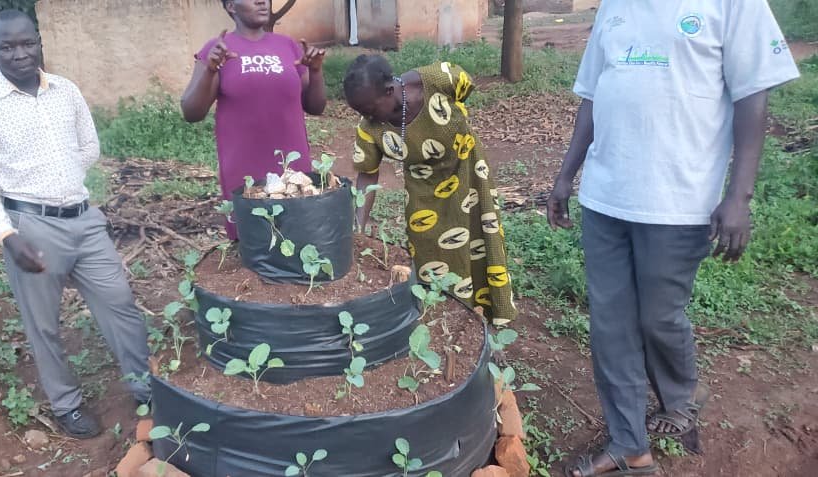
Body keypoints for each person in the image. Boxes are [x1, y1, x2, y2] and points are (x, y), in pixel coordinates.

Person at [548, 2, 800, 475]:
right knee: (610, 326)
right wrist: (566, 176)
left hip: (679, 200)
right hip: (605, 198)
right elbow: (594, 96)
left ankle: (682, 393)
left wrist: (739, 197)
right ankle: (630, 445)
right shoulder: (614, 6)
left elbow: (752, 95)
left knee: (658, 317)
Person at [0, 9, 153, 439]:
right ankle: (67, 404)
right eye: (7, 47)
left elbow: (89, 146)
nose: (20, 54)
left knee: (119, 302)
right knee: (43, 323)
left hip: (84, 219)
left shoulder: (66, 90)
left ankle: (147, 388)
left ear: (39, 41)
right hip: (31, 226)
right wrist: (7, 234)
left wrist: (61, 176)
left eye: (27, 43)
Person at [343, 55, 517, 325]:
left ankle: (483, 314)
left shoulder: (439, 79)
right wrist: (358, 225)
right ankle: (442, 321)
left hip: (468, 177)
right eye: (360, 112)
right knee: (429, 255)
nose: (366, 117)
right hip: (423, 194)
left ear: (389, 91)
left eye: (369, 109)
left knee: (479, 244)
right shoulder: (370, 128)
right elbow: (367, 173)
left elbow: (466, 89)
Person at [181, 0, 327, 239]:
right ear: (231, 7)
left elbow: (316, 107)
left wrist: (316, 71)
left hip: (291, 167)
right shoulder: (217, 49)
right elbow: (191, 112)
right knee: (254, 244)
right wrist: (210, 69)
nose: (262, 1)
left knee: (297, 238)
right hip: (245, 173)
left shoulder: (287, 45)